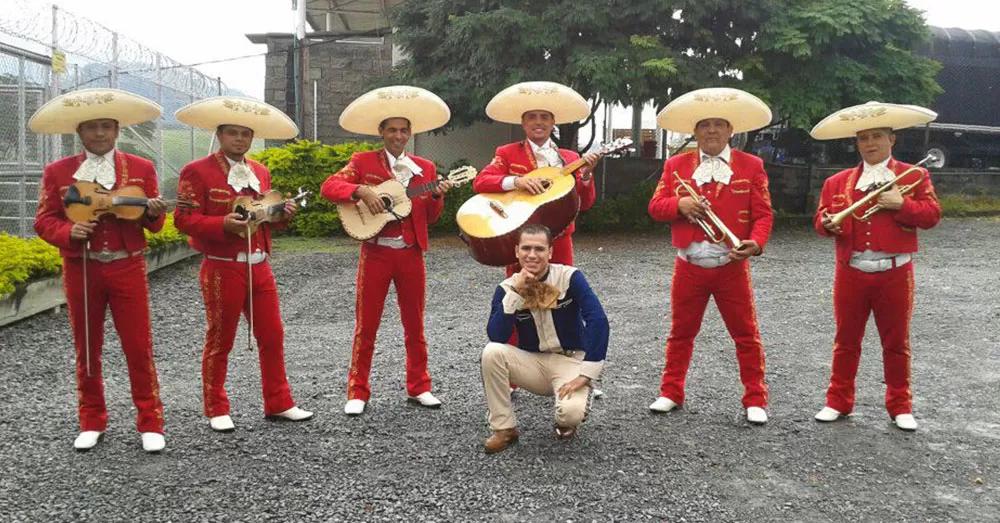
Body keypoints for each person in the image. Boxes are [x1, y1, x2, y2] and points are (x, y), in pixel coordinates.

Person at [31, 88, 167, 452]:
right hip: (83, 268)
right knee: (87, 345)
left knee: (138, 345)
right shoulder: (58, 172)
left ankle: (150, 421)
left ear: (117, 129)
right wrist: (68, 232)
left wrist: (154, 211)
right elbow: (44, 220)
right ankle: (91, 419)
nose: (100, 134)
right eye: (92, 128)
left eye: (106, 126)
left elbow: (155, 225)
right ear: (80, 132)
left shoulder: (141, 169)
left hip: (128, 265)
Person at [174, 96, 313, 433]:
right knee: (221, 337)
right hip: (222, 265)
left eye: (245, 134)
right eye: (233, 133)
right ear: (220, 135)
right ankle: (216, 406)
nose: (239, 139)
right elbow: (183, 218)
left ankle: (279, 402)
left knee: (273, 334)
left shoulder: (260, 172)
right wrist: (222, 225)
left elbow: (263, 217)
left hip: (260, 264)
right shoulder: (197, 171)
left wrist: (282, 215)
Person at [320, 86, 454, 416]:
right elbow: (329, 187)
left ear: (411, 133)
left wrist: (437, 195)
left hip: (410, 252)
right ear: (381, 132)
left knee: (415, 323)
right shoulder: (363, 161)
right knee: (367, 325)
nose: (398, 135)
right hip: (376, 252)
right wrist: (361, 190)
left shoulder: (425, 167)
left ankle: (419, 386)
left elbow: (431, 217)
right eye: (392, 129)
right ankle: (357, 390)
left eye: (403, 130)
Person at [809, 102, 941, 431]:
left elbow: (931, 216)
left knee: (896, 343)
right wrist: (828, 224)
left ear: (891, 140)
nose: (870, 144)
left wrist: (902, 204)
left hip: (895, 272)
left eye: (877, 137)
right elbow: (820, 221)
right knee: (846, 340)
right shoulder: (836, 182)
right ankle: (838, 401)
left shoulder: (915, 175)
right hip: (851, 270)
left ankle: (900, 405)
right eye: (864, 138)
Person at [646, 87, 775, 424]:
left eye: (719, 124)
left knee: (745, 334)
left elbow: (763, 214)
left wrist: (757, 243)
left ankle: (755, 399)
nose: (712, 131)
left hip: (731, 265)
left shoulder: (751, 165)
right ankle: (671, 391)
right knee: (680, 332)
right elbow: (656, 207)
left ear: (731, 130)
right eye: (705, 125)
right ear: (695, 132)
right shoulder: (677, 165)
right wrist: (680, 204)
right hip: (689, 264)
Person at [480, 223, 609, 454]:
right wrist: (514, 295)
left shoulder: (570, 277)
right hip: (533, 361)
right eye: (526, 248)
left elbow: (597, 319)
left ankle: (571, 411)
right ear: (516, 251)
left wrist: (587, 374)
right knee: (491, 352)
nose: (532, 255)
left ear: (550, 252)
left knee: (569, 415)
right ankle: (504, 428)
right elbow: (496, 335)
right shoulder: (506, 288)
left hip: (569, 360)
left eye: (539, 249)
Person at [474, 81, 600, 274]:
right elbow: (481, 182)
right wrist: (517, 181)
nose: (538, 122)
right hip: (522, 238)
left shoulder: (571, 158)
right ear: (523, 124)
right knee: (520, 295)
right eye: (532, 117)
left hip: (560, 238)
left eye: (545, 117)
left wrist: (586, 174)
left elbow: (585, 204)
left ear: (552, 123)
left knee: (561, 294)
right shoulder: (507, 152)